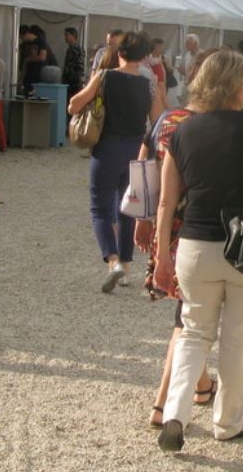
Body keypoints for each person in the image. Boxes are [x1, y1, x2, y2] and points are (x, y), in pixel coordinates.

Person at [153, 50, 243, 451]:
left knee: (194, 332)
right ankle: (227, 422)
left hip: (195, 245)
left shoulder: (182, 131)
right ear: (234, 84)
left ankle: (176, 413)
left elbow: (166, 202)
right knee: (237, 338)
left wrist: (162, 255)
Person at [135, 48, 217, 429]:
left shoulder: (167, 120)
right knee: (186, 321)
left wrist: (142, 219)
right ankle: (161, 403)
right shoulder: (213, 128)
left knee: (188, 316)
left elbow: (144, 166)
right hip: (194, 232)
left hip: (165, 228)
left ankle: (201, 386)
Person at [69, 31, 162, 292]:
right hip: (136, 148)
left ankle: (112, 261)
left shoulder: (104, 77)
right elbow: (157, 121)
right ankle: (126, 267)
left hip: (107, 146)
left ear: (119, 52)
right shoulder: (150, 84)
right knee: (128, 208)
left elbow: (75, 105)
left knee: (100, 207)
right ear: (144, 56)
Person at [62, 27, 85, 97]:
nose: (65, 37)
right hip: (68, 82)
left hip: (74, 83)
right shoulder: (70, 49)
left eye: (67, 35)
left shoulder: (77, 50)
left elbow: (80, 67)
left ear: (73, 36)